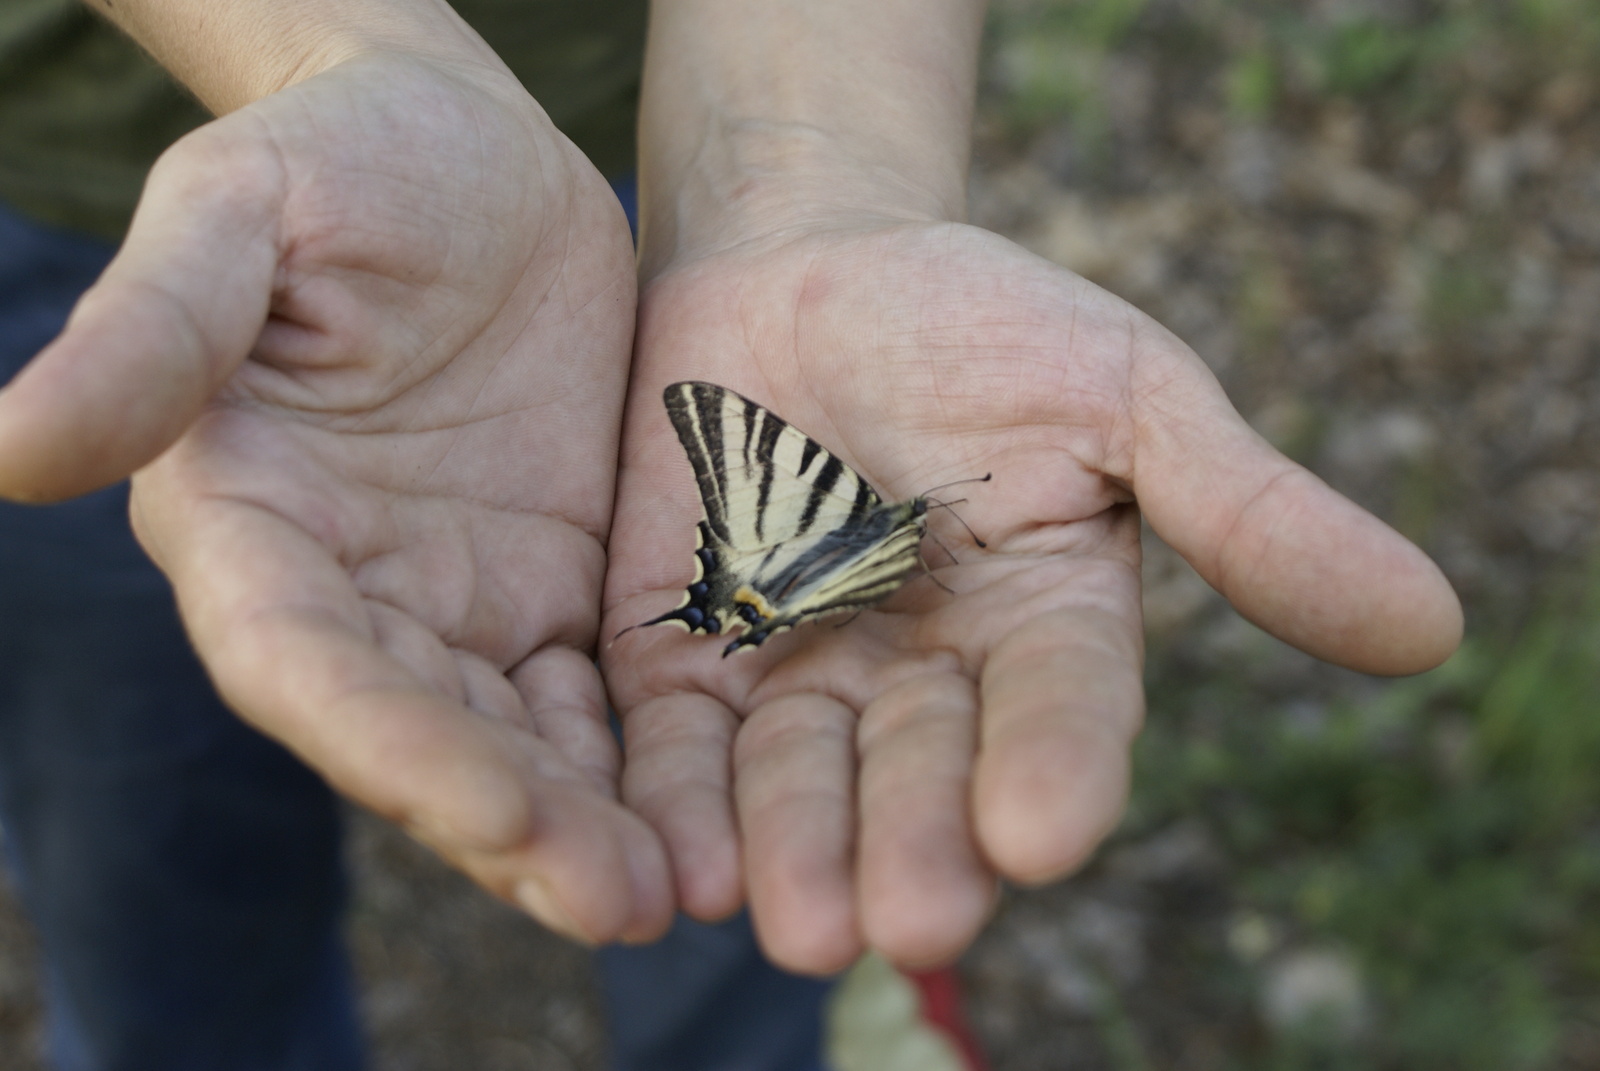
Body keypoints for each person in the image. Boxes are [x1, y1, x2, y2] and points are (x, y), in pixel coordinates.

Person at [0, 0, 1464, 1066]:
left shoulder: (870, 525)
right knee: (151, 881)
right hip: (77, 180)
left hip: (669, 147)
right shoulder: (900, 549)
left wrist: (811, 178)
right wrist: (324, 49)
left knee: (760, 905)